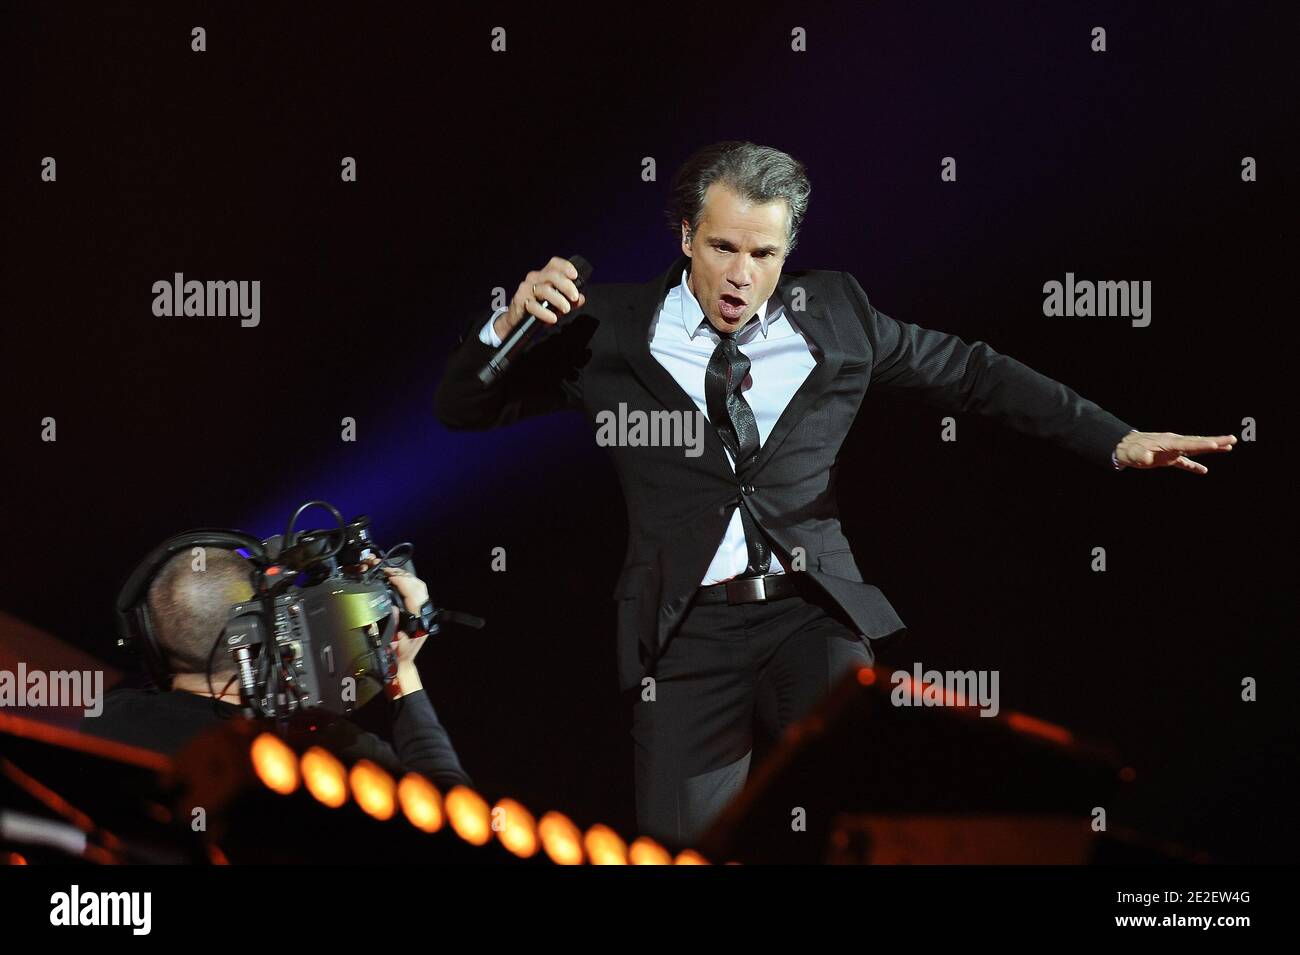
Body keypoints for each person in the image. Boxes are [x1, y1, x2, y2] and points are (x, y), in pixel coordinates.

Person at [433, 140, 1235, 846]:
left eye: (765, 253)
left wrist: (1116, 437)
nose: (742, 275)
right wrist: (506, 327)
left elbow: (974, 371)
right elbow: (464, 407)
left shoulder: (839, 314)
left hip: (808, 612)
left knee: (868, 810)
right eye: (722, 247)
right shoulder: (602, 329)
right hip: (683, 636)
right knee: (683, 849)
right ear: (684, 237)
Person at [82, 547, 472, 792]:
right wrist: (400, 670)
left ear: (147, 638)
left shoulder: (106, 722)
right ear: (262, 631)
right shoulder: (321, 753)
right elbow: (453, 820)